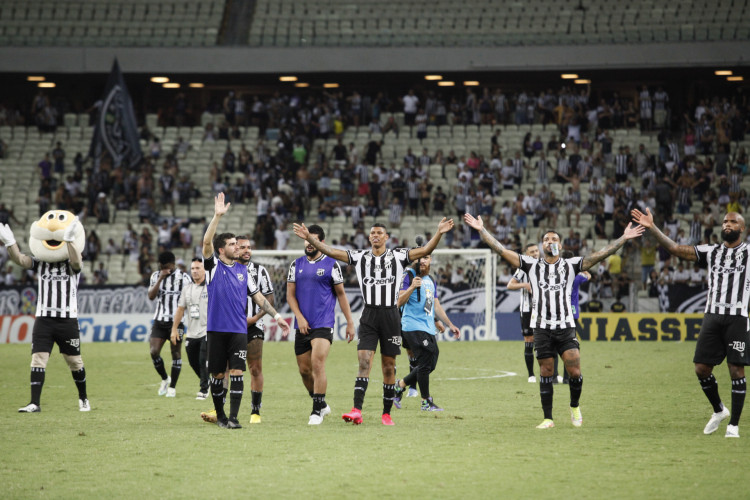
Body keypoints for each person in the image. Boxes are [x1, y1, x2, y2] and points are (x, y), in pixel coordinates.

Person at [463, 213, 644, 429]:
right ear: (541, 246)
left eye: (554, 239)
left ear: (560, 244)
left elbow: (601, 255)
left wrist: (623, 239)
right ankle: (548, 418)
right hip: (542, 328)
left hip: (566, 326)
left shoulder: (571, 265)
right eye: (546, 239)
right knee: (546, 371)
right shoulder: (530, 265)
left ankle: (574, 405)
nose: (550, 242)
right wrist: (482, 230)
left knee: (574, 370)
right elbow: (501, 250)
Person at [292, 217, 454, 426]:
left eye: (379, 233)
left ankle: (386, 413)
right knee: (364, 361)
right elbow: (332, 252)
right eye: (372, 233)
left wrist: (439, 232)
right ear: (369, 237)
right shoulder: (360, 257)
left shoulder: (398, 256)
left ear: (386, 237)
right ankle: (356, 409)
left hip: (390, 315)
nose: (375, 236)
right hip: (369, 315)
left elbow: (424, 251)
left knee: (388, 366)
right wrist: (311, 240)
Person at [632, 207, 749, 438]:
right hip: (712, 316)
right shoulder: (711, 251)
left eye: (733, 222)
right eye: (725, 221)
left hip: (738, 318)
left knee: (736, 370)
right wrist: (652, 227)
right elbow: (676, 249)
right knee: (701, 368)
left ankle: (733, 425)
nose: (727, 224)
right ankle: (719, 410)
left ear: (742, 229)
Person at [202, 193, 290, 429]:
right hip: (216, 331)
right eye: (232, 244)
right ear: (222, 250)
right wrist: (217, 216)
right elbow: (206, 243)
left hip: (238, 331)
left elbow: (259, 297)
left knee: (238, 372)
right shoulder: (213, 268)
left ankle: (233, 418)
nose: (237, 248)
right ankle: (220, 416)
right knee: (218, 376)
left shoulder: (245, 273)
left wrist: (278, 317)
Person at [1, 212, 90, 413]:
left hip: (67, 319)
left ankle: (83, 398)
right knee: (38, 358)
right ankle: (35, 403)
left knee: (74, 361)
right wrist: (10, 243)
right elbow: (20, 260)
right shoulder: (41, 262)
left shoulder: (71, 265)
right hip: (44, 318)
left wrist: (68, 240)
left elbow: (77, 262)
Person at [286, 224, 356, 425]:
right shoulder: (295, 265)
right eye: (306, 239)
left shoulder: (331, 265)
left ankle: (316, 411)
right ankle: (322, 403)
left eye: (313, 239)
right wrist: (299, 317)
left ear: (321, 242)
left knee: (317, 362)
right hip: (302, 325)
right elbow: (290, 295)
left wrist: (350, 323)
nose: (308, 243)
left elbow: (341, 295)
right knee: (304, 371)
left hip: (323, 324)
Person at [393, 254, 460, 411]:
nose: (422, 260)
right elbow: (398, 302)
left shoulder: (430, 280)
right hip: (412, 326)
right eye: (420, 257)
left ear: (430, 260)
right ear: (414, 260)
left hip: (427, 327)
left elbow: (434, 304)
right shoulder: (409, 275)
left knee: (431, 362)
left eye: (426, 257)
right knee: (426, 358)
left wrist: (447, 323)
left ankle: (400, 385)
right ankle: (425, 401)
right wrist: (411, 287)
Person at [236, 235, 276, 424]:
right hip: (231, 326)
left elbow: (270, 299)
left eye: (249, 247)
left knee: (255, 368)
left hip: (254, 326)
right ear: (234, 249)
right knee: (228, 369)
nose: (247, 250)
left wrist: (254, 319)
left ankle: (255, 411)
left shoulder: (260, 271)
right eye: (242, 247)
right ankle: (220, 408)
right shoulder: (226, 270)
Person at [148, 251, 190, 397]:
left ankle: (172, 387)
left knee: (176, 353)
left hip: (176, 323)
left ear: (173, 264)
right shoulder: (155, 276)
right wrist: (160, 278)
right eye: (161, 266)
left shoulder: (184, 278)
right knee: (153, 352)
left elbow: (188, 300)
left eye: (166, 266)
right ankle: (165, 379)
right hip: (159, 321)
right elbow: (151, 296)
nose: (164, 269)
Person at [170, 258, 209, 400]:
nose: (195, 271)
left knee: (203, 359)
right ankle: (208, 381)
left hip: (207, 330)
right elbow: (180, 310)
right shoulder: (187, 289)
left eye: (198, 268)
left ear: (204, 269)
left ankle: (204, 389)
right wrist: (174, 329)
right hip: (192, 332)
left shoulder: (210, 287)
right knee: (193, 361)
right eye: (192, 268)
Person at [507, 243, 540, 383]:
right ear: (527, 255)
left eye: (537, 251)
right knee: (529, 340)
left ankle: (549, 373)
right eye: (532, 252)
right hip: (527, 309)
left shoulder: (545, 266)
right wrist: (525, 285)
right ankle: (531, 375)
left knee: (544, 341)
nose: (535, 254)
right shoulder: (523, 269)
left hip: (542, 309)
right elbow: (510, 285)